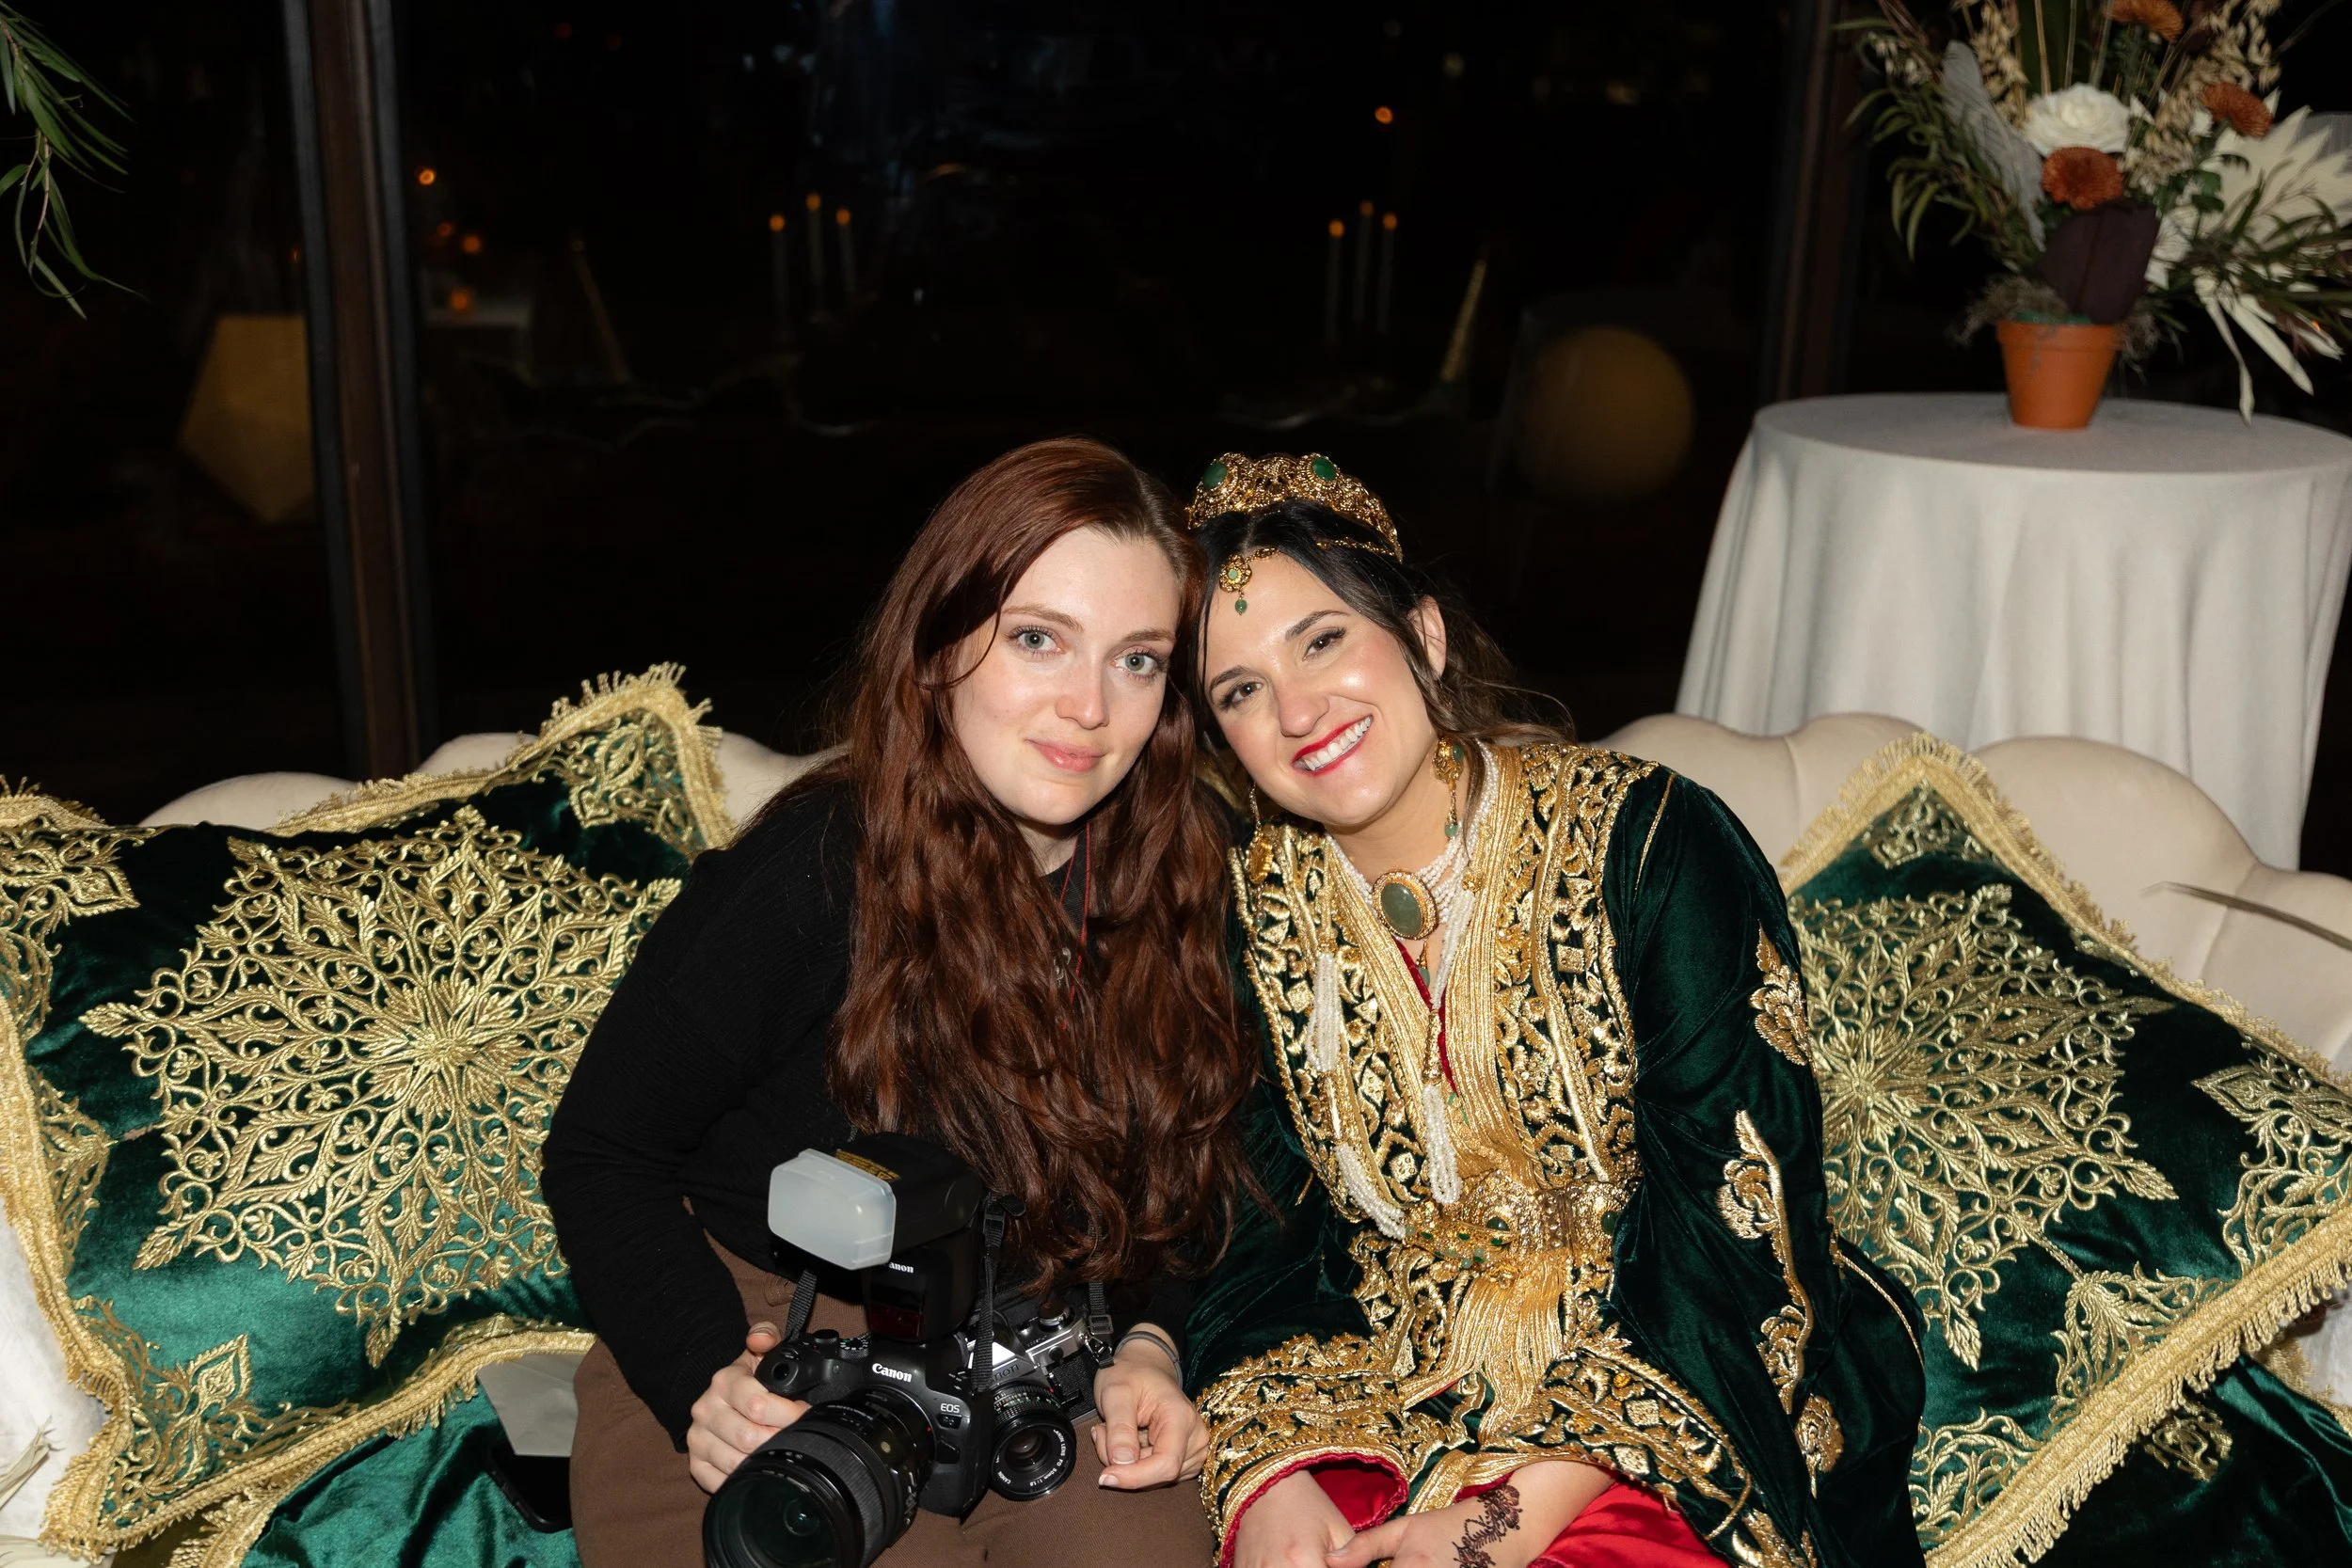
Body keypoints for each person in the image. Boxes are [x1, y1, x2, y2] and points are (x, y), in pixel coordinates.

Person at [1180, 454, 1927, 1568]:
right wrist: (1271, 1481)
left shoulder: (1653, 847)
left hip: (1671, 1381)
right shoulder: (1256, 915)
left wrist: (1496, 1519)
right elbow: (1255, 1236)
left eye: (1322, 639)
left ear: (1423, 637)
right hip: (1379, 1378)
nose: (1295, 709)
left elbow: (1729, 1225)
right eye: (1239, 688)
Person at [542, 437, 1249, 1568]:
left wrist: (1153, 1339)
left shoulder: (1182, 873)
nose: (1086, 706)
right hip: (778, 1345)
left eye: (1136, 660)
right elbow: (599, 1148)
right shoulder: (817, 867)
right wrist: (705, 1378)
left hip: (1031, 1364)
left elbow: (1189, 1175)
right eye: (1036, 639)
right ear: (939, 642)